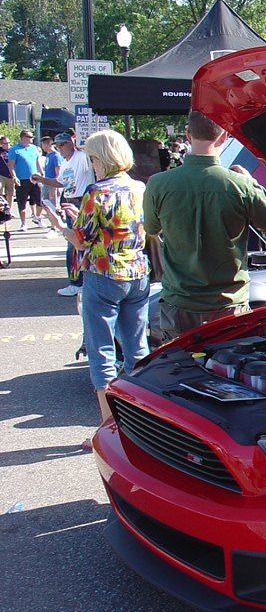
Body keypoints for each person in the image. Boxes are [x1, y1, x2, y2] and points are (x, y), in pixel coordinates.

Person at [144, 110, 266, 342]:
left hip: (180, 302)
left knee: (178, 370)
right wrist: (252, 183)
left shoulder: (158, 184)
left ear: (188, 134)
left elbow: (151, 229)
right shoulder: (240, 185)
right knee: (227, 371)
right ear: (223, 137)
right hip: (227, 303)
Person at [41, 130, 150, 433]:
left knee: (102, 350)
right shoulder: (140, 188)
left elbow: (80, 241)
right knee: (137, 350)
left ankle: (109, 426)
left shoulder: (96, 192)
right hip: (138, 272)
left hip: (104, 273)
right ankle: (143, 423)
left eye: (92, 159)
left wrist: (60, 224)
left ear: (100, 159)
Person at [32, 132, 95, 296]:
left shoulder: (81, 157)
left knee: (76, 242)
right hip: (70, 199)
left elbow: (91, 157)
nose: (59, 148)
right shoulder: (66, 162)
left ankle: (78, 282)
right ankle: (77, 281)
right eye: (57, 145)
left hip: (81, 200)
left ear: (70, 143)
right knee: (73, 242)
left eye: (62, 144)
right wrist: (41, 179)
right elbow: (60, 182)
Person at [7, 129, 44, 231]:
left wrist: (41, 173)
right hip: (22, 179)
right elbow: (11, 165)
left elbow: (38, 162)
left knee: (40, 200)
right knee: (22, 202)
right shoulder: (14, 149)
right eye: (30, 137)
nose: (32, 139)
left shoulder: (33, 148)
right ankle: (23, 223)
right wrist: (15, 177)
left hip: (35, 178)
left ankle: (37, 217)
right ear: (23, 138)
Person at [0, 135, 13, 209]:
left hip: (10, 175)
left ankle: (9, 210)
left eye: (8, 143)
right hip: (1, 174)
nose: (7, 145)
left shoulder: (12, 151)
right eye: (5, 143)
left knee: (10, 194)